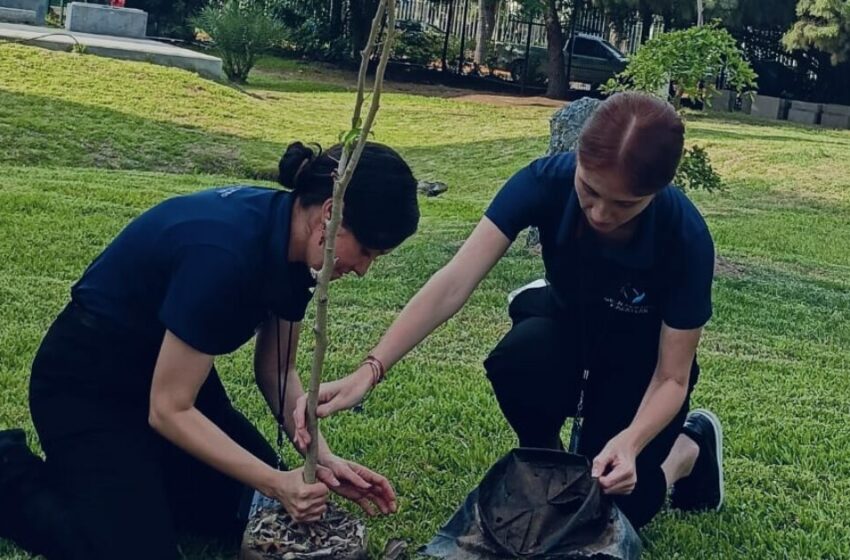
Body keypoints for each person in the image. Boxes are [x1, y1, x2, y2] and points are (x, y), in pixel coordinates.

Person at [293, 92, 724, 531]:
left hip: (640, 357)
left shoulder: (685, 238)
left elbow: (672, 377)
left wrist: (632, 442)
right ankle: (550, 463)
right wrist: (371, 369)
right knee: (520, 361)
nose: (599, 212)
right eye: (589, 190)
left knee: (623, 510)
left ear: (656, 191)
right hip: (567, 324)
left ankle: (690, 449)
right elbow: (453, 282)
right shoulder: (543, 182)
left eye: (624, 204)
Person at [0, 141, 419, 560]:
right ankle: (11, 473)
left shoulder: (297, 248)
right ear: (331, 213)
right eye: (366, 251)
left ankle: (132, 481)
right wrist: (275, 481)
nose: (364, 269)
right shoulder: (225, 255)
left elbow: (276, 372)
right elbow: (168, 409)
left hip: (174, 382)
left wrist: (322, 459)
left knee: (252, 511)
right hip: (88, 389)